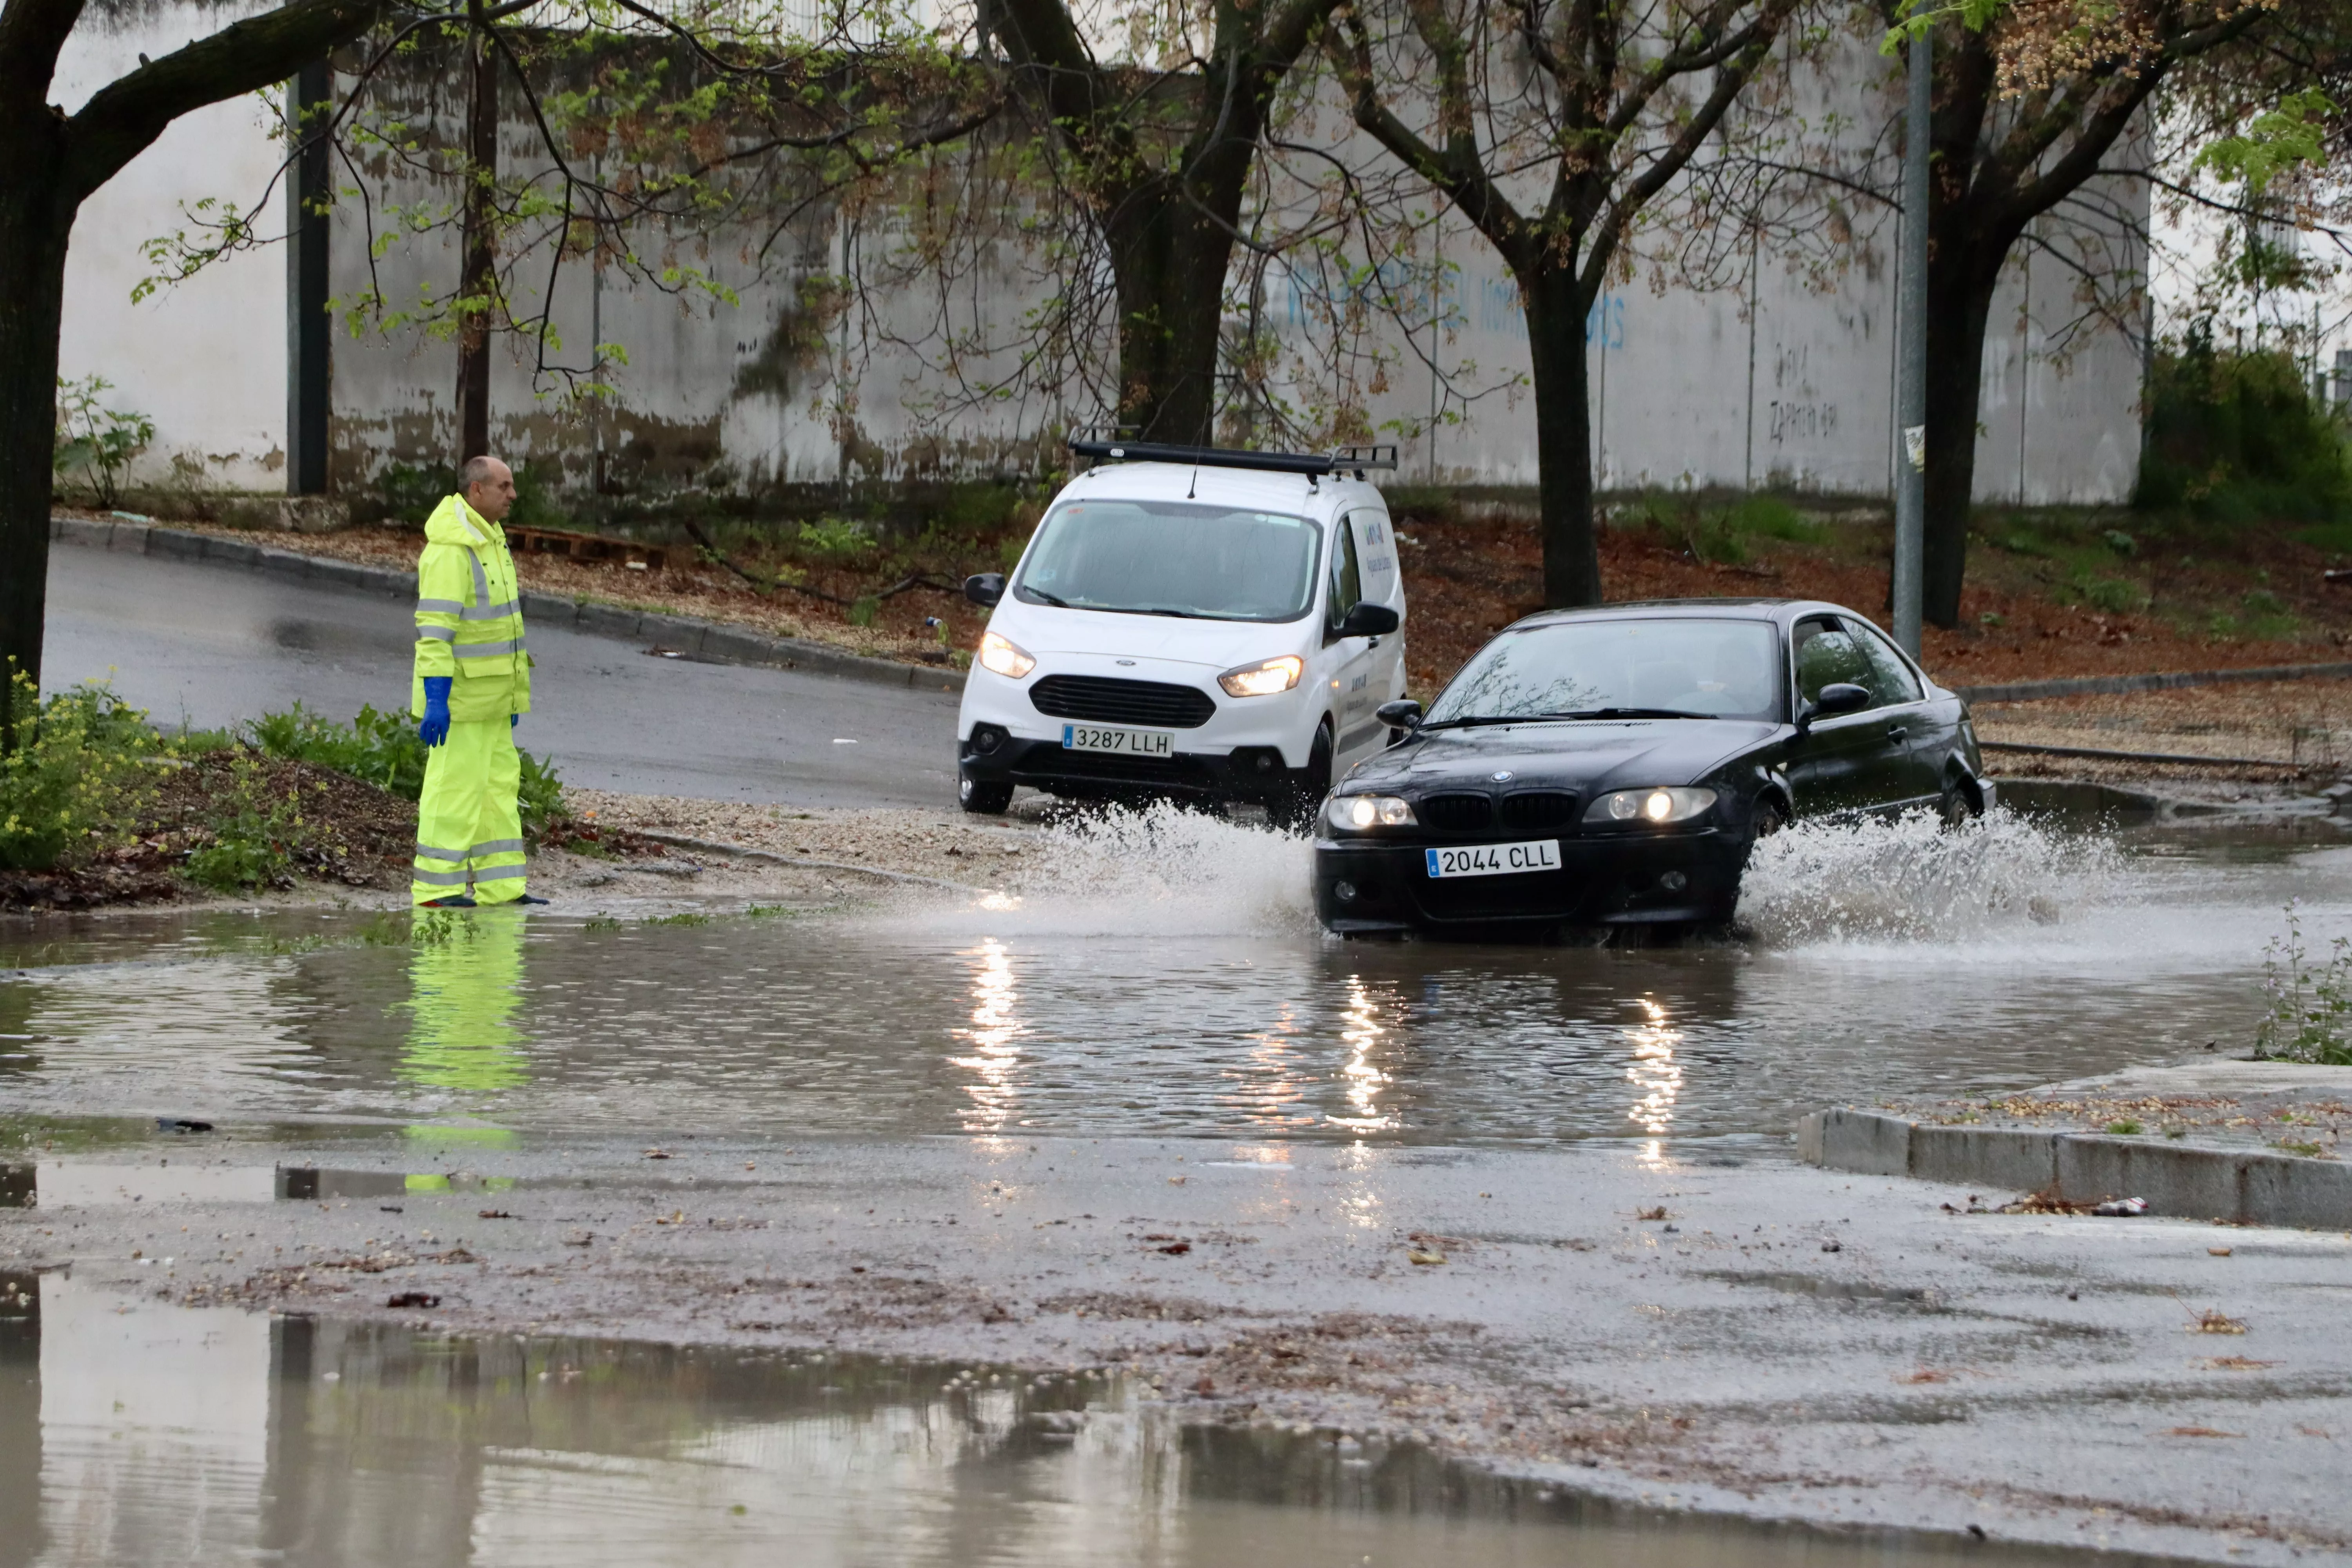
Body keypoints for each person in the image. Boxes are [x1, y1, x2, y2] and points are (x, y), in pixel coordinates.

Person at [410, 455, 544, 907]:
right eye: (504, 486)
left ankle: (503, 888)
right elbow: (436, 631)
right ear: (476, 491)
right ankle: (436, 890)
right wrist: (436, 699)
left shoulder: (491, 540)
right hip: (461, 703)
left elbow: (500, 629)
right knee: (454, 791)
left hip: (490, 701)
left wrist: (510, 695)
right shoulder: (453, 549)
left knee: (497, 795)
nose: (513, 495)